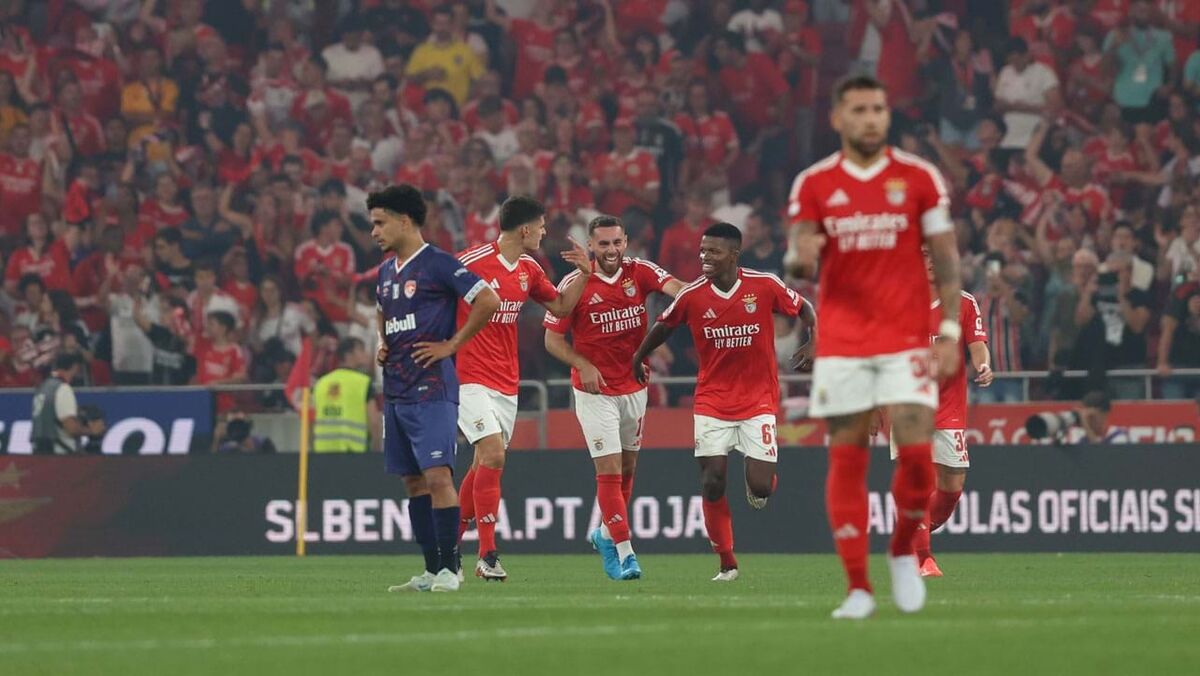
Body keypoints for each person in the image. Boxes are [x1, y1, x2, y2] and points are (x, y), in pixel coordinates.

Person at [785, 75, 961, 619]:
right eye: (859, 109)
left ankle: (903, 548)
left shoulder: (920, 177)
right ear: (838, 118)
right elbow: (798, 254)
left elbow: (946, 258)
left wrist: (951, 330)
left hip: (905, 339)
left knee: (918, 458)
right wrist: (800, 258)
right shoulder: (814, 183)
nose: (870, 118)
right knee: (848, 458)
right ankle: (859, 588)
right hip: (843, 344)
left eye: (878, 109)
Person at [631, 222, 815, 582]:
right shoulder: (692, 295)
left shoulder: (764, 285)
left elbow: (804, 307)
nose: (704, 257)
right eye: (702, 251)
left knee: (761, 488)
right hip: (712, 401)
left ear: (734, 254)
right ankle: (727, 562)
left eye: (713, 251)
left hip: (758, 400)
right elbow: (664, 325)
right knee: (712, 480)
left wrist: (814, 338)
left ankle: (760, 481)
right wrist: (639, 356)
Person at [371, 184, 500, 594]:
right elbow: (381, 311)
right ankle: (430, 571)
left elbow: (488, 300)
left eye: (380, 223)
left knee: (438, 477)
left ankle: (450, 568)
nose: (374, 232)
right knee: (413, 483)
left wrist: (452, 345)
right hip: (397, 391)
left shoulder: (439, 263)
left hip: (432, 389)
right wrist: (383, 342)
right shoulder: (386, 271)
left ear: (404, 220)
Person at [454, 196, 591, 581]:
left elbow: (560, 307)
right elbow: (434, 297)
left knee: (483, 463)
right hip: (467, 376)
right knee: (493, 454)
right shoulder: (470, 262)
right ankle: (488, 555)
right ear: (525, 229)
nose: (545, 232)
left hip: (505, 381)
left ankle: (448, 548)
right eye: (542, 226)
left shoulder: (529, 269)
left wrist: (584, 274)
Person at [543, 214, 686, 581]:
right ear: (591, 245)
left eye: (617, 242)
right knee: (607, 471)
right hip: (594, 391)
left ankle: (605, 534)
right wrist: (583, 365)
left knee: (627, 469)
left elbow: (678, 289)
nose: (611, 250)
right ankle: (625, 553)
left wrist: (715, 291)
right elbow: (552, 340)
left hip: (634, 385)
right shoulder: (576, 282)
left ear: (626, 242)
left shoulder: (641, 271)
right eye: (603, 244)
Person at [890, 249, 993, 578]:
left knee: (952, 486)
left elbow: (977, 345)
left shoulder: (963, 303)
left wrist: (983, 365)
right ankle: (924, 559)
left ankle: (910, 534)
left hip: (949, 407)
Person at [312, 337, 381, 454]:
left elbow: (311, 421)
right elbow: (374, 423)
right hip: (353, 453)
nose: (366, 354)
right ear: (348, 355)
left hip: (322, 453)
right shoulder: (363, 383)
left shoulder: (321, 383)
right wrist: (376, 452)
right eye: (361, 350)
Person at [31, 353, 101, 454]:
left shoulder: (43, 387)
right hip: (60, 453)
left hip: (40, 451)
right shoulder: (62, 388)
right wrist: (92, 430)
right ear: (75, 367)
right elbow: (71, 427)